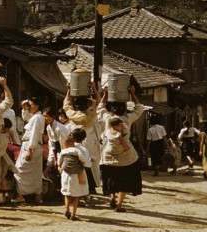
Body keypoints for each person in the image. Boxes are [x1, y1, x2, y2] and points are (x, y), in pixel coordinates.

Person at [98, 85, 147, 213]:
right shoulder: (127, 119)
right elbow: (139, 109)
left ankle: (112, 197)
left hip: (109, 155)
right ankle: (119, 205)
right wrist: (132, 93)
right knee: (125, 181)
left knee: (111, 179)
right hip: (127, 157)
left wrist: (105, 94)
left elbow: (100, 108)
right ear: (125, 109)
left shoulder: (108, 119)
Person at [63, 81, 102, 191]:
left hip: (75, 140)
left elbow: (66, 104)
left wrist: (69, 89)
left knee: (78, 162)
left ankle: (79, 186)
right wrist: (94, 89)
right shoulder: (90, 115)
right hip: (88, 140)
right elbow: (100, 103)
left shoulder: (71, 114)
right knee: (90, 162)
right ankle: (92, 186)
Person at [14, 97, 44, 204]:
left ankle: (21, 195)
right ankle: (37, 196)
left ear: (37, 106)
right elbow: (26, 117)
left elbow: (34, 134)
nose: (29, 107)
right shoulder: (35, 117)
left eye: (31, 105)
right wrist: (24, 107)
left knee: (19, 170)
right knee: (34, 173)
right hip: (30, 146)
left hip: (31, 146)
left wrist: (30, 149)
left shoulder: (37, 118)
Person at [58, 135, 91, 220]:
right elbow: (83, 160)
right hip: (76, 174)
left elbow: (59, 162)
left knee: (67, 194)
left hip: (65, 174)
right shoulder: (77, 150)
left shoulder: (63, 152)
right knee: (76, 195)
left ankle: (66, 209)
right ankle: (73, 214)